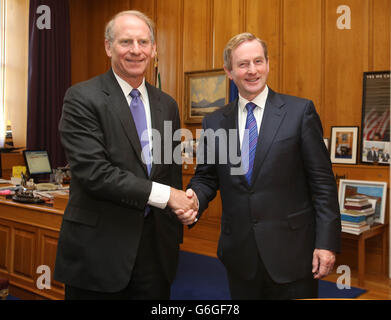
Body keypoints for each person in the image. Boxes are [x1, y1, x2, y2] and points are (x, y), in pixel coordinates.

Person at [180, 33, 341, 299]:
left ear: (268, 64)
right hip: (240, 256)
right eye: (243, 64)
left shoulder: (300, 112)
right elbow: (207, 178)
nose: (252, 70)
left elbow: (323, 184)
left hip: (293, 255)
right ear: (229, 72)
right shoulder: (214, 123)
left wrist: (326, 243)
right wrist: (194, 198)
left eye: (258, 61)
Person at [54, 10, 197, 300]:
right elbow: (96, 174)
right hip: (99, 253)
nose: (136, 50)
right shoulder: (82, 98)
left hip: (156, 254)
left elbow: (168, 172)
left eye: (143, 42)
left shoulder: (166, 105)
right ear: (108, 47)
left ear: (154, 49)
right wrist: (169, 196)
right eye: (126, 42)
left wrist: (184, 209)